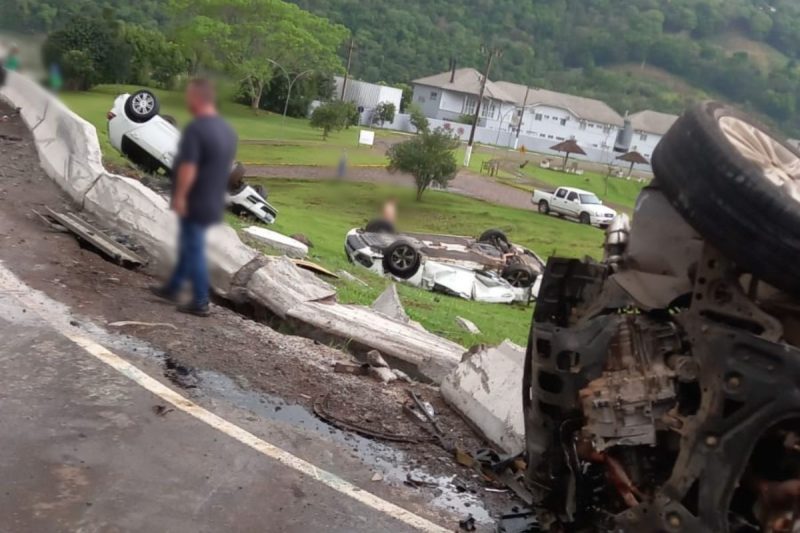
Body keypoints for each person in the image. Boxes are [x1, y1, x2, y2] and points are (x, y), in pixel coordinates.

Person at [151, 79, 238, 316]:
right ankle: (173, 287)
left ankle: (200, 300)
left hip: (194, 199)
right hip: (213, 200)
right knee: (189, 245)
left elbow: (188, 168)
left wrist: (180, 197)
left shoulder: (196, 130)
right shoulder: (227, 132)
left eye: (190, 97)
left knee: (194, 248)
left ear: (199, 99)